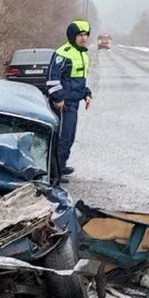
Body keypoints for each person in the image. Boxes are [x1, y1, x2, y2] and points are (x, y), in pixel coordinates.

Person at [46, 19, 92, 184]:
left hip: (73, 103)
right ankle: (53, 174)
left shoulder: (82, 54)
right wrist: (58, 99)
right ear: (73, 36)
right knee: (63, 138)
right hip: (63, 104)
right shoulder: (63, 53)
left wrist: (87, 93)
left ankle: (61, 165)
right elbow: (52, 78)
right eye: (80, 35)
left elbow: (81, 80)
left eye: (86, 35)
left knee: (70, 137)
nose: (84, 38)